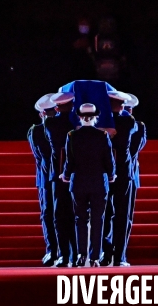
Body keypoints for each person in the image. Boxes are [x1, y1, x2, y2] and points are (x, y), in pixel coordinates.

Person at [61, 103, 116, 267]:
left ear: (80, 116)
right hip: (99, 182)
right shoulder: (102, 136)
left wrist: (66, 175)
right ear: (95, 116)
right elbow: (109, 160)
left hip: (79, 182)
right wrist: (112, 174)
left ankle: (80, 254)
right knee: (98, 220)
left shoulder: (72, 135)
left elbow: (69, 161)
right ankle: (94, 257)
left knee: (80, 220)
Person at [101, 91, 137, 266]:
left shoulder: (100, 123)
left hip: (104, 173)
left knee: (104, 214)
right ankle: (119, 257)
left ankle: (106, 253)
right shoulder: (128, 121)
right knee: (122, 215)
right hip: (123, 173)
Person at [44, 93, 77, 267]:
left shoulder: (50, 123)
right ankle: (75, 254)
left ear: (56, 107)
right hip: (75, 175)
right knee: (74, 216)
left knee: (60, 217)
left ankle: (64, 255)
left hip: (57, 175)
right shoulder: (75, 124)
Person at [27, 94, 58, 266]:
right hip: (48, 178)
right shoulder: (37, 131)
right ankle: (53, 250)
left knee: (53, 215)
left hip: (52, 178)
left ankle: (56, 250)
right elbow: (40, 156)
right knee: (49, 214)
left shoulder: (37, 131)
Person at [122, 94, 146, 248]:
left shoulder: (137, 127)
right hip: (122, 173)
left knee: (124, 216)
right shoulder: (135, 126)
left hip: (128, 172)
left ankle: (118, 252)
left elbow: (134, 149)